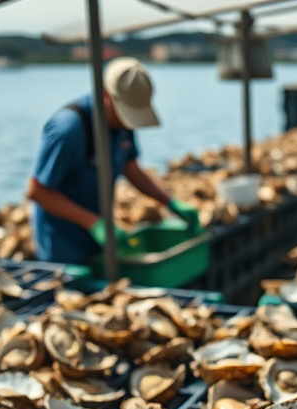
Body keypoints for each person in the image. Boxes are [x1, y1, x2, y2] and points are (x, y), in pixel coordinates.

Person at [27, 57, 199, 265]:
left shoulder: (122, 125)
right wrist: (94, 224)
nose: (129, 122)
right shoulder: (68, 129)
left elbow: (130, 168)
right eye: (126, 113)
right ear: (106, 95)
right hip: (63, 241)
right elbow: (37, 191)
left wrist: (168, 201)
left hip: (98, 233)